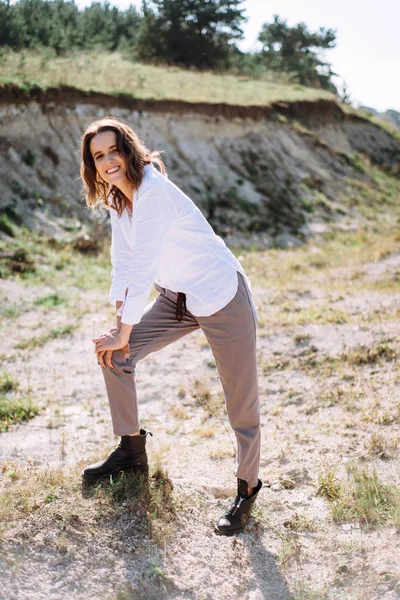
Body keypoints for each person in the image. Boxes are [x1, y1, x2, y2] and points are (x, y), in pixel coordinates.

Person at [80, 117, 262, 536]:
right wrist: (119, 327)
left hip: (220, 297)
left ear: (129, 150)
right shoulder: (117, 200)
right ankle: (131, 451)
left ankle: (247, 488)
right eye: (98, 155)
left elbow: (142, 264)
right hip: (176, 299)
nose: (108, 161)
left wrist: (124, 328)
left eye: (113, 150)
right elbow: (123, 263)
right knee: (115, 354)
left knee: (240, 401)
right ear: (93, 164)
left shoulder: (154, 193)